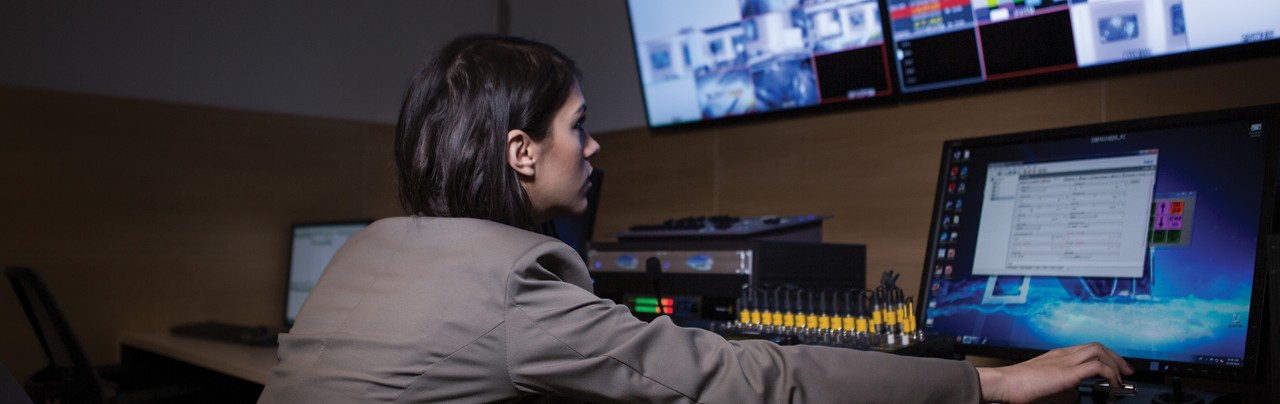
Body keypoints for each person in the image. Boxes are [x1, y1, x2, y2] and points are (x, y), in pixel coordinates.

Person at [258, 34, 1133, 403]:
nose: (593, 151)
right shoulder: (513, 288)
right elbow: (744, 383)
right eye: (579, 127)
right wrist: (988, 383)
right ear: (523, 152)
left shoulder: (369, 250)